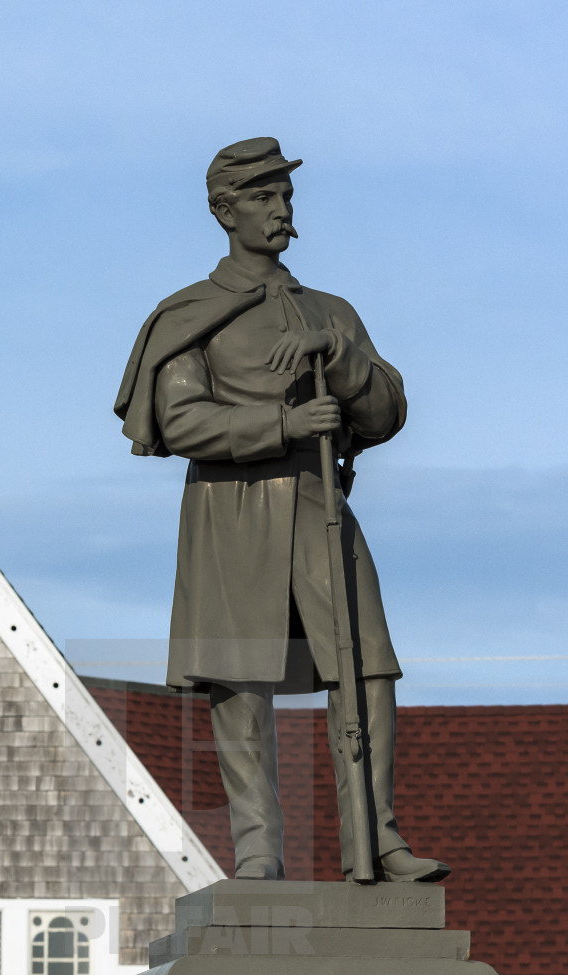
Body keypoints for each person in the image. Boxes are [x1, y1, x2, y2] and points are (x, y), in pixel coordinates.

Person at [115, 138, 449, 884]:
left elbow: (388, 411)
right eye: (263, 197)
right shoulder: (189, 316)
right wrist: (281, 427)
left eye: (285, 196)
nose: (280, 210)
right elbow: (177, 423)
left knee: (366, 667)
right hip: (230, 514)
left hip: (317, 504)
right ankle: (259, 848)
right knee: (240, 679)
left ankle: (378, 838)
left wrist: (344, 356)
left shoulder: (329, 312)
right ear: (224, 210)